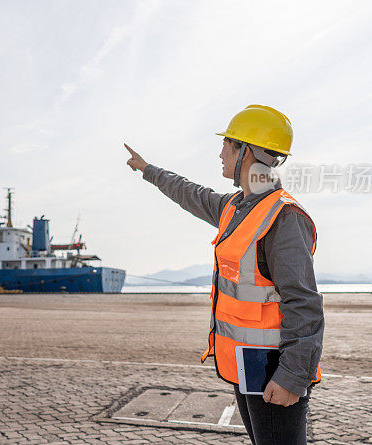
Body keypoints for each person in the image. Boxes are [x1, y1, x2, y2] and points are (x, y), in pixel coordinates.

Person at [125, 104, 323, 445]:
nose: (220, 153)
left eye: (227, 144)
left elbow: (303, 302)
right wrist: (148, 169)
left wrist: (292, 376)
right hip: (247, 366)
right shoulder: (236, 207)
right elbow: (189, 192)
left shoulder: (283, 216)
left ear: (246, 151)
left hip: (275, 369)